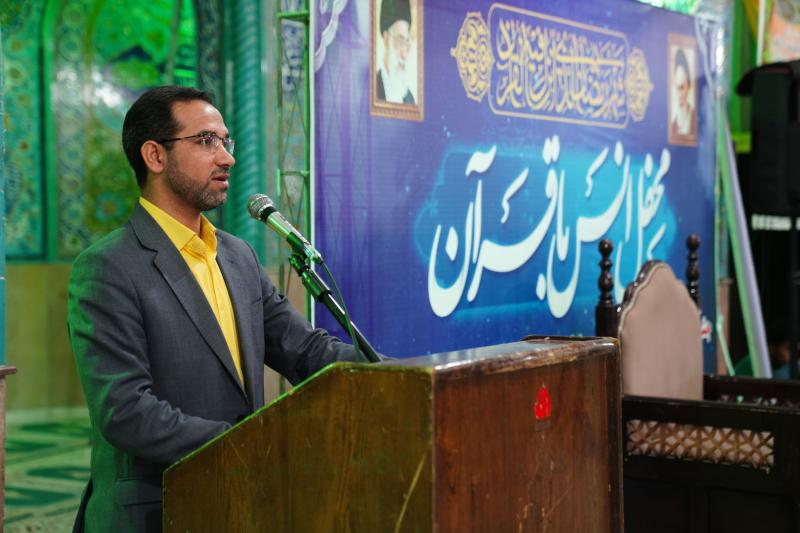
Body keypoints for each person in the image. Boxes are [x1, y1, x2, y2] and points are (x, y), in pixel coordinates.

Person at [68, 86, 369, 532]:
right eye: (206, 141)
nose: (227, 157)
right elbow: (125, 411)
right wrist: (250, 442)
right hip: (158, 512)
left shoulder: (237, 256)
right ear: (155, 156)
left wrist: (396, 372)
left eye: (226, 142)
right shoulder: (108, 267)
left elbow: (304, 349)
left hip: (240, 502)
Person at [376, 0, 416, 104]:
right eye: (400, 41)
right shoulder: (371, 89)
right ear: (386, 39)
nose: (404, 55)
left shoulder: (410, 99)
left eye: (406, 43)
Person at [670, 47, 696, 140]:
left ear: (688, 86)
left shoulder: (696, 119)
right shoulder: (673, 126)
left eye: (682, 88)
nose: (679, 94)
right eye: (677, 88)